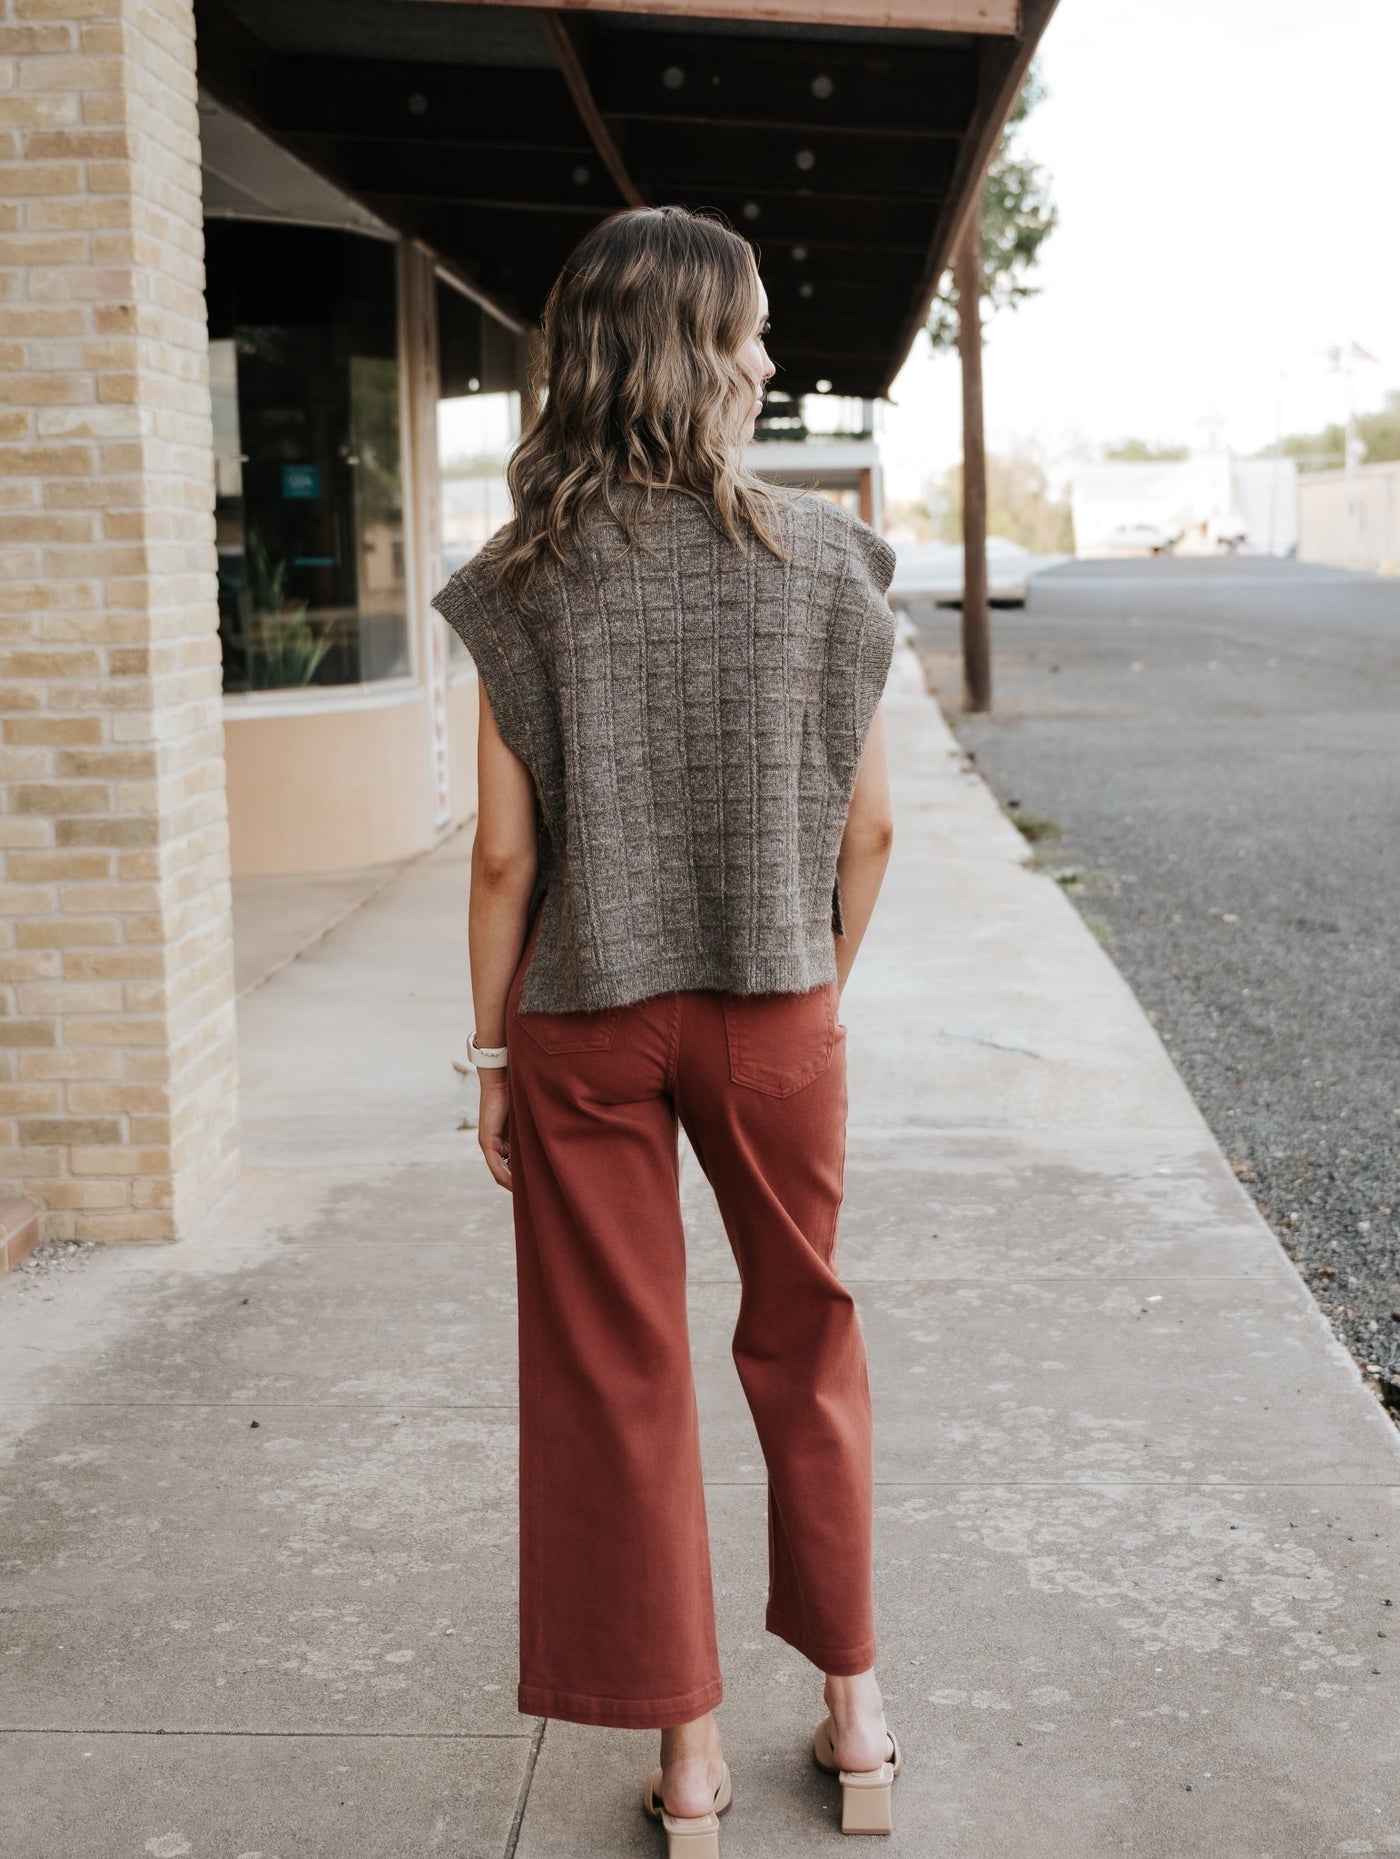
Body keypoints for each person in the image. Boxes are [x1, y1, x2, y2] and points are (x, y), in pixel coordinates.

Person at [431, 205, 900, 1853]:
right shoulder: (830, 561)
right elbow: (870, 838)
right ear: (695, 351)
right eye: (755, 329)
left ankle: (688, 1762)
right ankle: (855, 1721)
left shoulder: (520, 580)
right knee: (806, 1340)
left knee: (618, 1377)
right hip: (777, 1010)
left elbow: (503, 856)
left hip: (584, 1020)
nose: (772, 356)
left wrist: (490, 1056)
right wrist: (806, 992)